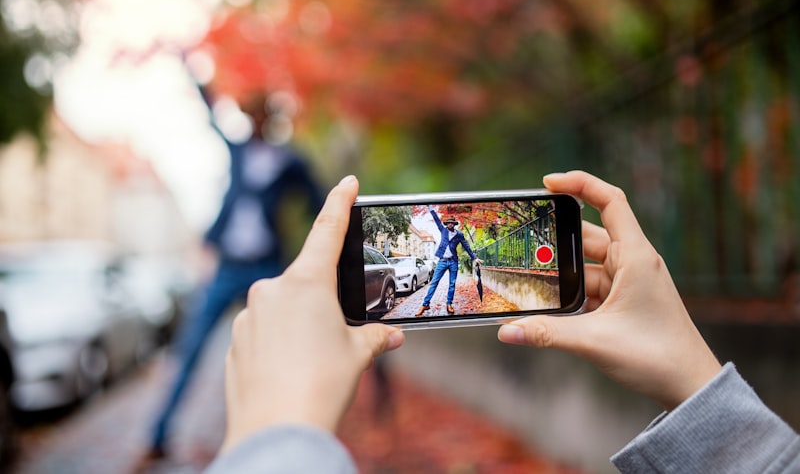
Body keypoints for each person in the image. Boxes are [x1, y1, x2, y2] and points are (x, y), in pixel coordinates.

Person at [204, 171, 800, 474]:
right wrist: (697, 384)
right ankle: (444, 296)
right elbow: (448, 240)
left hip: (450, 269)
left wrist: (276, 433)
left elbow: (460, 246)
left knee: (446, 285)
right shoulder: (444, 236)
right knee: (443, 284)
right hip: (445, 268)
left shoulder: (456, 239)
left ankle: (446, 296)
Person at [140, 88, 325, 463]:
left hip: (266, 268)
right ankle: (158, 436)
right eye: (249, 115)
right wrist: (192, 71)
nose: (255, 121)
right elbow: (211, 114)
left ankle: (280, 434)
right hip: (228, 266)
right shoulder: (237, 150)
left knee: (278, 349)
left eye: (262, 115)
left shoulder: (289, 160)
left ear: (271, 119)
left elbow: (317, 198)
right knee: (190, 347)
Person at [416, 207, 482, 316]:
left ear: (454, 224)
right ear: (446, 224)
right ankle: (425, 304)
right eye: (448, 223)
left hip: (453, 262)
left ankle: (449, 303)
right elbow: (436, 219)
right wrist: (430, 208)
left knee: (452, 284)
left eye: (452, 223)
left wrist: (474, 258)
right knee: (434, 282)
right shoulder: (443, 230)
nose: (450, 224)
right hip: (442, 261)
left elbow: (466, 246)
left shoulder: (459, 235)